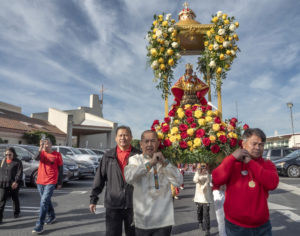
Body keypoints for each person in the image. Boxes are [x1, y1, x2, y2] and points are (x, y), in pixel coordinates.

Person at [212, 128, 279, 236]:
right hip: (236, 227)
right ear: (243, 143)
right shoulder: (233, 163)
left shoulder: (267, 164)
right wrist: (232, 158)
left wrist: (250, 163)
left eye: (261, 145)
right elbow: (217, 179)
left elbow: (272, 184)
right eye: (254, 144)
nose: (258, 148)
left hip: (263, 226)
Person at [124, 130, 183, 236]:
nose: (149, 144)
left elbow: (178, 181)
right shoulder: (135, 160)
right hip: (143, 221)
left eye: (153, 141)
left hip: (163, 222)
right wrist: (151, 163)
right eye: (146, 141)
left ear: (158, 143)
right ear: (141, 144)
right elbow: (129, 177)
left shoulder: (165, 161)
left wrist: (164, 162)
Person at [90, 126, 141, 236]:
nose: (123, 137)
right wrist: (93, 198)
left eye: (126, 135)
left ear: (131, 137)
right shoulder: (108, 156)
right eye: (120, 135)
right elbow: (100, 178)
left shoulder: (139, 156)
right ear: (116, 138)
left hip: (134, 205)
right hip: (113, 204)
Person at [32, 138, 63, 234]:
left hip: (51, 181)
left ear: (51, 144)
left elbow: (61, 169)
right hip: (40, 181)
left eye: (47, 143)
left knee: (44, 201)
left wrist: (59, 182)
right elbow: (35, 158)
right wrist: (40, 147)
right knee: (46, 200)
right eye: (43, 144)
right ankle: (52, 216)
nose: (45, 145)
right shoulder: (41, 153)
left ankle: (39, 225)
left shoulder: (57, 155)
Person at [0, 147, 23, 223]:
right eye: (6, 154)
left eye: (10, 154)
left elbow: (19, 173)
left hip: (13, 184)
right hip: (3, 183)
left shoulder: (18, 162)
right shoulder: (3, 161)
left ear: (14, 154)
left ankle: (17, 212)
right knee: (2, 200)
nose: (8, 156)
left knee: (15, 198)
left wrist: (16, 181)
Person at [193, 163, 212, 236]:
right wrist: (198, 173)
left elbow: (210, 181)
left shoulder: (208, 174)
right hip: (198, 197)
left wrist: (207, 175)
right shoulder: (197, 173)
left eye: (205, 168)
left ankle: (208, 230)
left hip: (206, 198)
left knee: (206, 214)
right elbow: (195, 180)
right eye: (202, 168)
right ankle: (200, 222)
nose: (203, 169)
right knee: (199, 211)